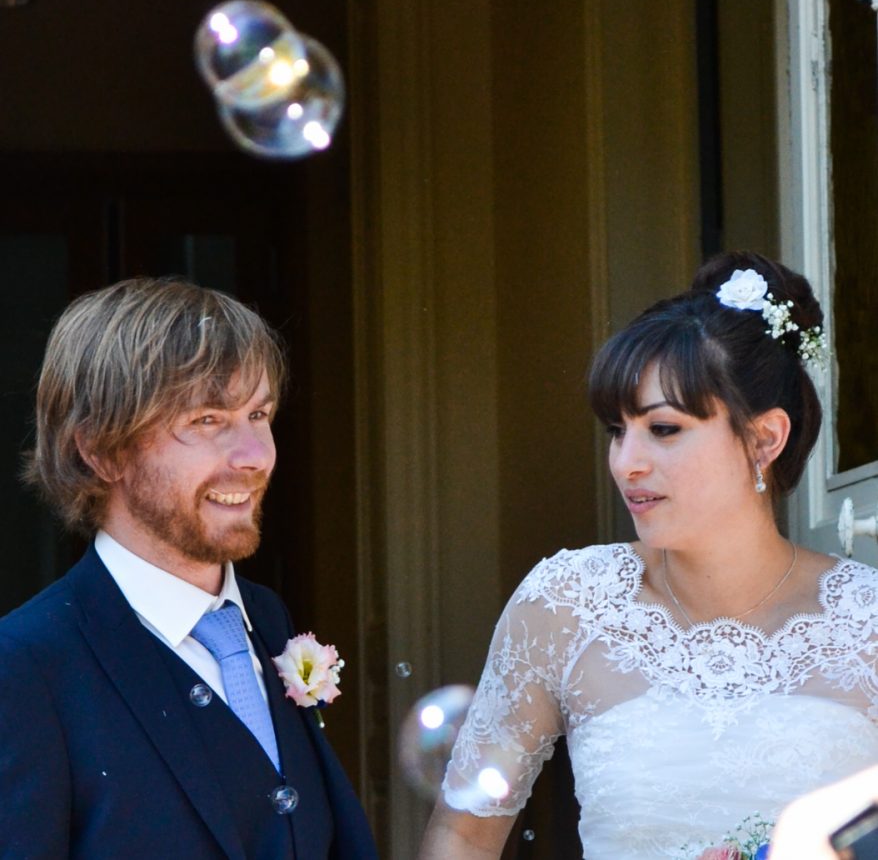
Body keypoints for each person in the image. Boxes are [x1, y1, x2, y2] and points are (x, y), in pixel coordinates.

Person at [418, 251, 878, 859]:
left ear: (765, 438)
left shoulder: (867, 619)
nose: (625, 462)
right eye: (617, 429)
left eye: (663, 429)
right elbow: (463, 835)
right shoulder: (565, 603)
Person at [0, 278, 377, 859]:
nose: (256, 456)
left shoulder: (268, 619)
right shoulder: (26, 666)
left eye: (260, 413)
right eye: (207, 420)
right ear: (100, 450)